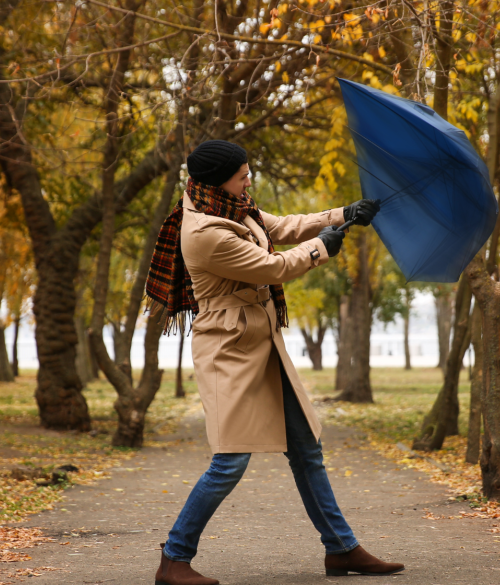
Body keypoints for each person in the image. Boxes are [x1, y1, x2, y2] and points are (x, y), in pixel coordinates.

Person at [145, 140, 403, 585]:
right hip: (228, 349)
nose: (249, 181)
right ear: (217, 180)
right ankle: (174, 559)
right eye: (242, 174)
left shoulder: (229, 205)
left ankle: (341, 549)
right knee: (229, 460)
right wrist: (322, 248)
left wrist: (344, 214)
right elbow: (272, 267)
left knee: (306, 450)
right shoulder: (205, 231)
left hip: (261, 344)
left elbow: (279, 227)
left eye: (249, 172)